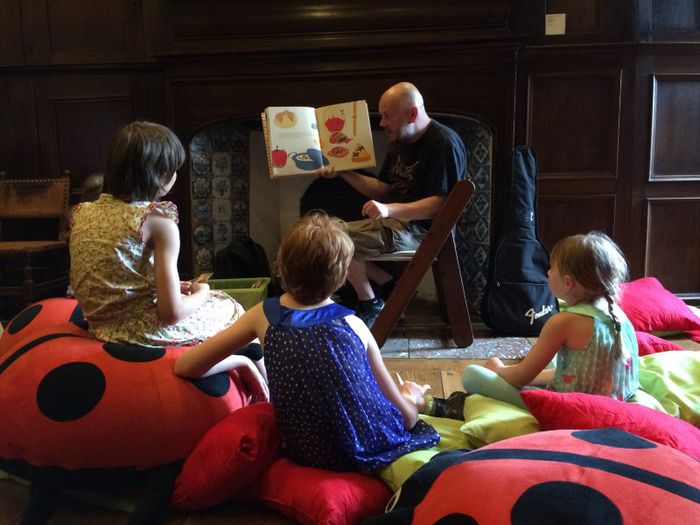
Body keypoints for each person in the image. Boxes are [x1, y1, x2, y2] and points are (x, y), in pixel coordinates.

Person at [175, 212, 440, 472]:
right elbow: (406, 419)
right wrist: (411, 397)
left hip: (306, 454)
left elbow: (186, 366)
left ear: (281, 266)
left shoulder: (263, 315)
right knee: (409, 401)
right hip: (371, 447)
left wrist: (242, 360)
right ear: (342, 276)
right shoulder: (355, 325)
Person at [69, 121, 257, 358]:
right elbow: (171, 314)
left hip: (100, 324)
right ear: (163, 176)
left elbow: (112, 273)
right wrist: (205, 291)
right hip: (141, 334)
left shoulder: (81, 212)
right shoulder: (158, 224)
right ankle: (261, 386)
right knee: (231, 308)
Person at [315, 81, 467, 326]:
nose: (382, 123)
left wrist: (388, 210)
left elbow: (442, 204)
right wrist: (344, 172)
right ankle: (385, 283)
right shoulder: (400, 142)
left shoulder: (443, 143)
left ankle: (369, 302)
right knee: (326, 232)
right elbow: (383, 188)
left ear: (413, 114)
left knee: (336, 241)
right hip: (396, 223)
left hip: (425, 230)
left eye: (388, 116)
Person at [460, 231, 639, 410]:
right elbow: (584, 372)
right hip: (616, 404)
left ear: (568, 282)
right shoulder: (617, 313)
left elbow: (520, 378)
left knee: (472, 375)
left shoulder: (563, 322)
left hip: (575, 411)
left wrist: (497, 369)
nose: (547, 272)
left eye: (551, 268)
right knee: (555, 361)